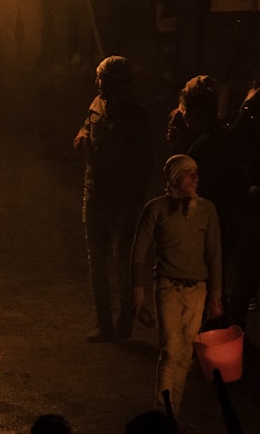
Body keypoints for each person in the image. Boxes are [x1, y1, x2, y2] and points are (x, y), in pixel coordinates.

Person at [130, 154, 223, 418]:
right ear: (173, 178)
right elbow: (138, 252)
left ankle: (172, 415)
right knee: (171, 350)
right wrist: (137, 290)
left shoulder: (206, 210)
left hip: (197, 290)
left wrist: (215, 296)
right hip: (168, 286)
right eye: (187, 173)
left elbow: (215, 254)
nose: (195, 178)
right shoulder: (157, 209)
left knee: (184, 354)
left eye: (196, 172)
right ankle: (163, 414)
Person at [74, 56, 153, 342]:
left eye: (102, 79)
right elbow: (86, 124)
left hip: (122, 200)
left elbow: (144, 164)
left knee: (122, 261)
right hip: (94, 193)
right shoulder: (97, 104)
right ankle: (103, 322)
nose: (97, 83)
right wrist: (83, 134)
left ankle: (124, 322)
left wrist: (133, 202)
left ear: (116, 83)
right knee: (97, 259)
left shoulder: (137, 116)